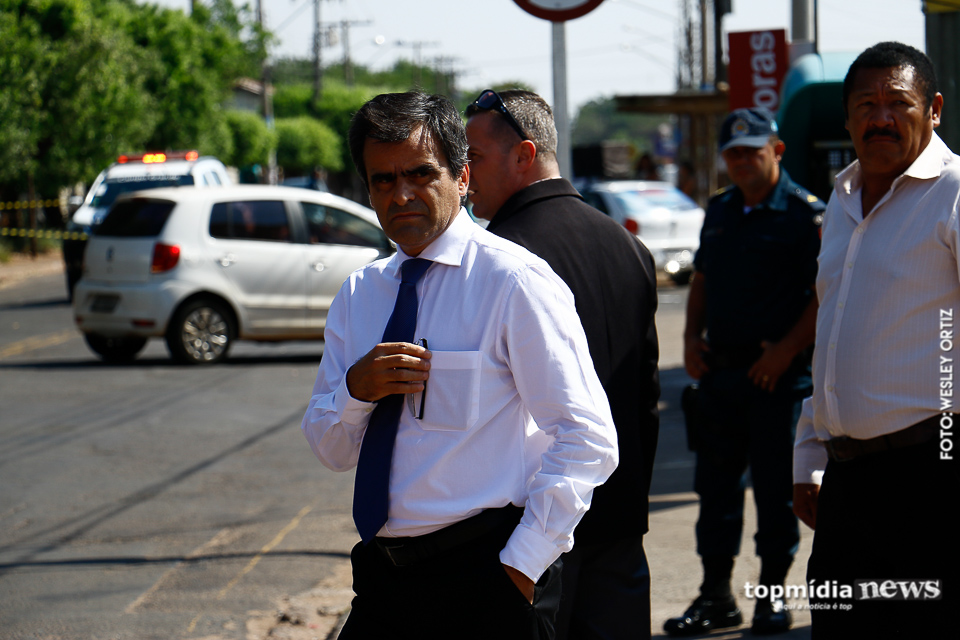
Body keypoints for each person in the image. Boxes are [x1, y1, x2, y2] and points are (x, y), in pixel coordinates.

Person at [300, 92, 619, 640]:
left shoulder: (512, 280)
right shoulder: (361, 293)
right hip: (383, 579)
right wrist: (357, 390)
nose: (401, 194)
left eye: (421, 174)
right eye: (382, 180)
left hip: (485, 579)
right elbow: (331, 450)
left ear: (463, 176)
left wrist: (523, 561)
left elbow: (587, 436)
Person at [465, 89, 661, 639]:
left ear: (523, 156)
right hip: (619, 523)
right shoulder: (628, 248)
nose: (463, 174)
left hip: (531, 536)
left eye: (474, 157)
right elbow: (644, 400)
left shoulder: (500, 261)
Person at [792, 42, 959, 639]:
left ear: (934, 109)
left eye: (899, 103)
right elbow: (835, 336)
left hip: (934, 477)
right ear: (847, 117)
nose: (881, 117)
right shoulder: (840, 202)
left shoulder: (955, 192)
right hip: (848, 485)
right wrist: (809, 454)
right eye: (867, 104)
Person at [666, 107, 823, 636]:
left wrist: (786, 350)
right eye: (732, 153)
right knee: (716, 496)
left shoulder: (807, 216)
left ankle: (772, 599)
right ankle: (716, 599)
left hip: (779, 381)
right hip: (722, 378)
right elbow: (704, 280)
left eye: (751, 151)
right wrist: (690, 338)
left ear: (776, 151)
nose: (740, 162)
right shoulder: (722, 210)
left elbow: (825, 297)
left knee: (778, 496)